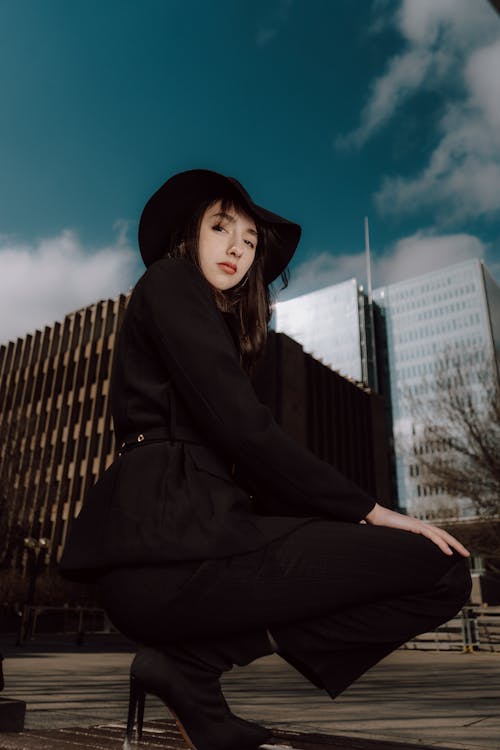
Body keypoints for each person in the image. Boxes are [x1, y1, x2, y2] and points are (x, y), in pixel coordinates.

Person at [60, 169, 472, 750]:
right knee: (436, 567)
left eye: (251, 242)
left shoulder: (214, 320)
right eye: (222, 227)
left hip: (204, 548)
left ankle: (190, 669)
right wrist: (371, 512)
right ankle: (192, 662)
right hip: (167, 559)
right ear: (189, 232)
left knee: (443, 570)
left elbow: (248, 453)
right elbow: (244, 429)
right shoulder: (170, 279)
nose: (237, 248)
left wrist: (342, 524)